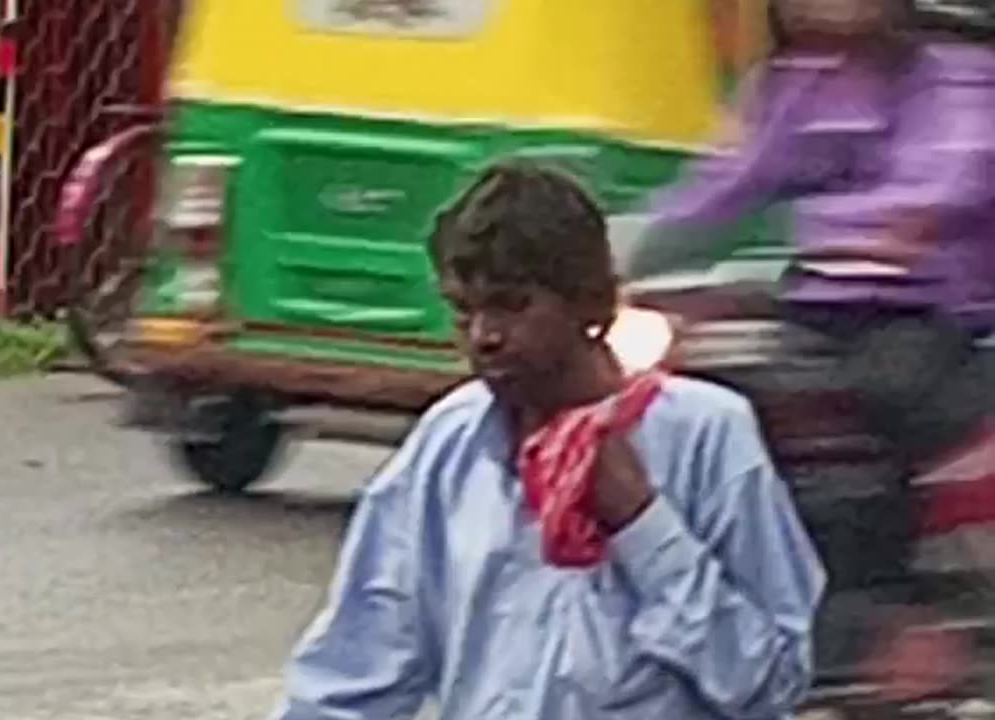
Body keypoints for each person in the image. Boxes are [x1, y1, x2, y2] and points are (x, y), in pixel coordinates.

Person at [269, 161, 826, 720]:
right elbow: (355, 670)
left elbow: (769, 684)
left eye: (512, 306)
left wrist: (644, 527)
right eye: (464, 311)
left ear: (590, 304)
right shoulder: (450, 445)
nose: (484, 336)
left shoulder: (706, 436)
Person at [623, 0, 995, 702]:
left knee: (875, 404)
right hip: (818, 306)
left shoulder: (959, 81)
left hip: (932, 317)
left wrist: (870, 230)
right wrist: (629, 246)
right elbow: (727, 183)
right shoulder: (798, 83)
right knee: (729, 385)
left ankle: (898, 620)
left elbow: (949, 175)